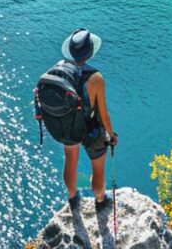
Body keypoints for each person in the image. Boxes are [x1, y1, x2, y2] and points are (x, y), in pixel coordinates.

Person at [60, 29, 117, 222]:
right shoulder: (96, 78)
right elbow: (103, 113)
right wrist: (111, 134)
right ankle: (100, 200)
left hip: (69, 125)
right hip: (91, 129)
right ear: (90, 52)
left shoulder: (61, 70)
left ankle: (72, 198)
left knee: (70, 160)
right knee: (98, 168)